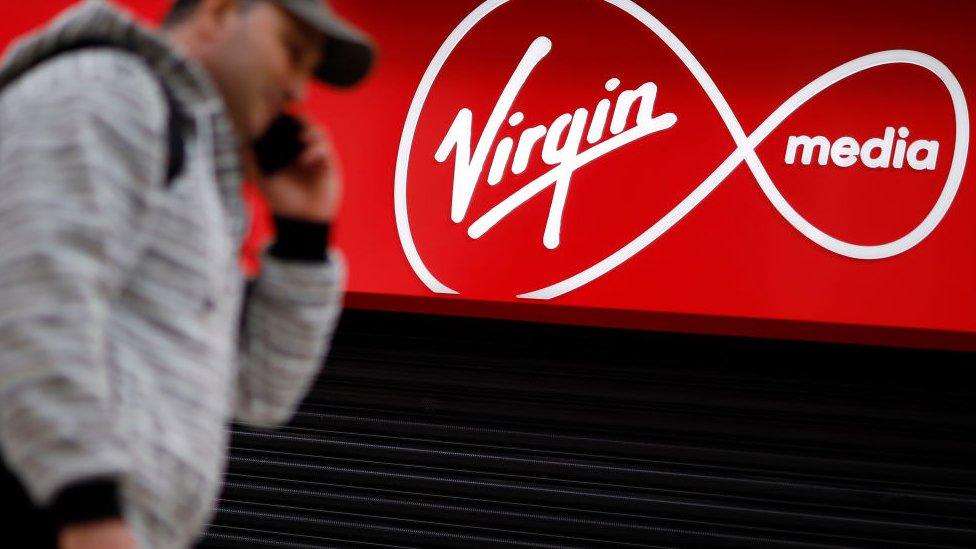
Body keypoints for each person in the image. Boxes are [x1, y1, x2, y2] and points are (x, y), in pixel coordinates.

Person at [0, 0, 374, 547]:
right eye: (291, 52)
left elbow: (260, 395)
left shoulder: (201, 168)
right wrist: (88, 510)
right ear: (219, 14)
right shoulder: (106, 90)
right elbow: (33, 299)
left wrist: (303, 236)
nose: (298, 90)